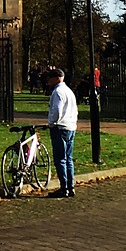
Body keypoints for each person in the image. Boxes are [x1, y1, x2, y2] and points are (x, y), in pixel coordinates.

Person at [45, 66, 79, 197]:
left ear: (57, 79)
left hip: (60, 128)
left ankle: (63, 187)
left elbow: (57, 111)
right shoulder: (69, 91)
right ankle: (70, 187)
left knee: (60, 159)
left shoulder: (58, 92)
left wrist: (51, 123)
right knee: (68, 158)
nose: (48, 81)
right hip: (70, 127)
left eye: (50, 78)